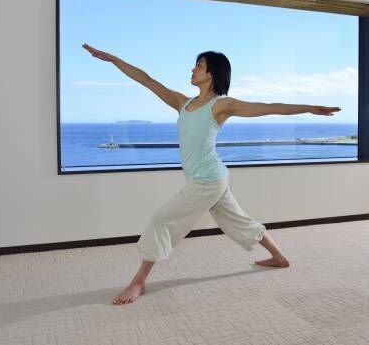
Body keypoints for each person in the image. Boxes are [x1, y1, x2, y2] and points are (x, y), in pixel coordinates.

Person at [82, 43, 341, 305]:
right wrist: (113, 59)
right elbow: (148, 80)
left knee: (161, 221)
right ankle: (279, 258)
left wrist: (309, 107)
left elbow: (268, 107)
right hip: (212, 178)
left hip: (207, 180)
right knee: (238, 221)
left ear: (212, 73)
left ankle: (138, 281)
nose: (193, 69)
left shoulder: (221, 106)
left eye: (199, 65)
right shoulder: (183, 102)